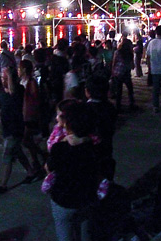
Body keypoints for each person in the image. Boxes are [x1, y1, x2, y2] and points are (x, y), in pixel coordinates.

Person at [0, 68, 36, 194]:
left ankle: (3, 185)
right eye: (2, 78)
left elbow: (13, 93)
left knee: (8, 154)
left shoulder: (19, 89)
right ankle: (31, 172)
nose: (3, 80)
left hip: (16, 127)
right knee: (17, 151)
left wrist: (9, 75)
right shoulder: (2, 91)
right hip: (7, 127)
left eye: (5, 78)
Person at [46, 101, 99, 241]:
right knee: (86, 233)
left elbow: (49, 168)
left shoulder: (59, 148)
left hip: (64, 200)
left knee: (65, 233)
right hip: (87, 198)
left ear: (68, 123)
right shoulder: (95, 147)